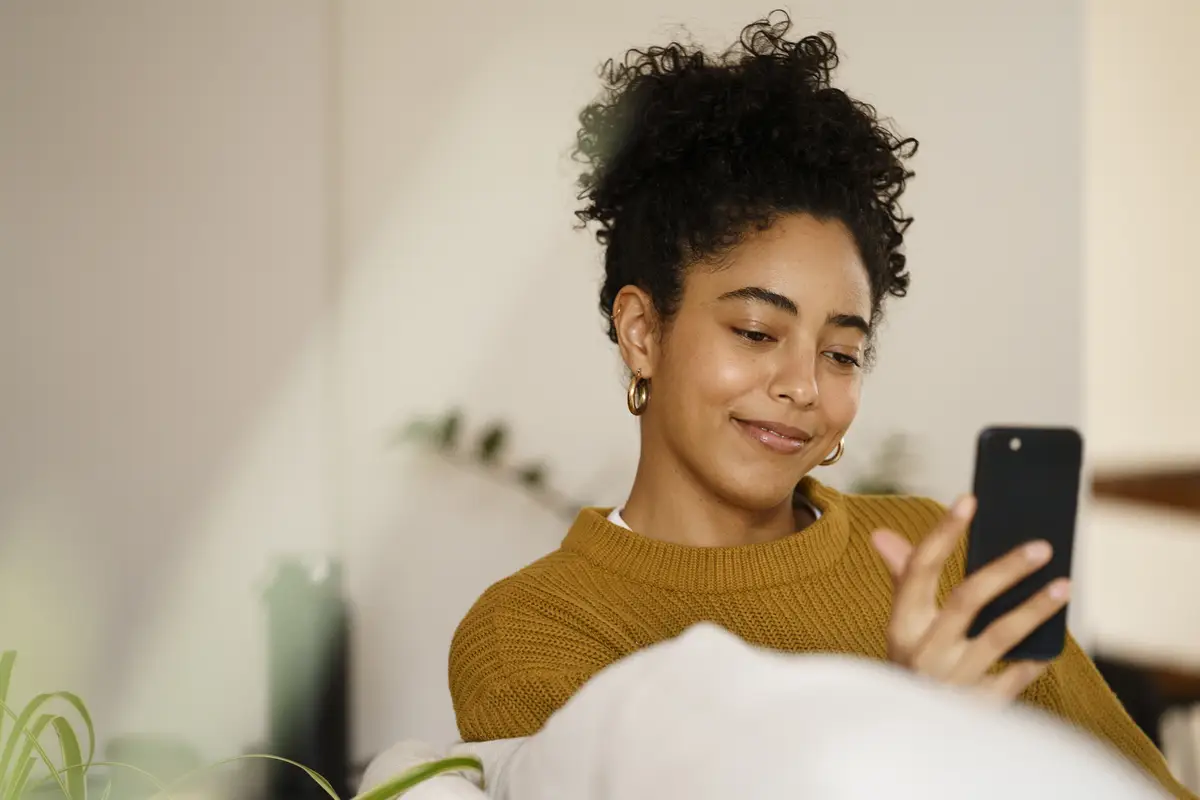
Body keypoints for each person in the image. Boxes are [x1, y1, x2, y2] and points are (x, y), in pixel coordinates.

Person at [446, 12, 1192, 798]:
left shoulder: (936, 560)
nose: (804, 385)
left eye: (841, 353)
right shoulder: (535, 631)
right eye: (757, 330)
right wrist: (920, 736)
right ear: (641, 331)